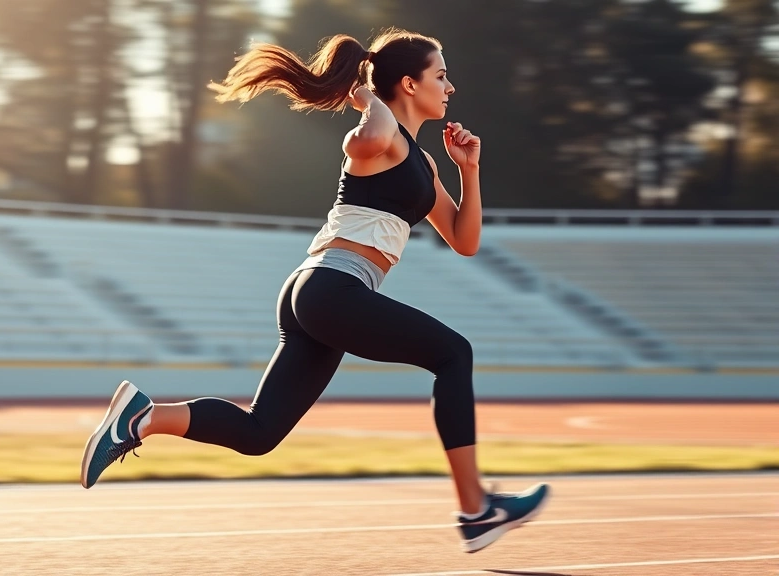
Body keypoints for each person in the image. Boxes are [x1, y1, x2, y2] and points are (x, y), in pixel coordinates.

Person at [79, 27, 549, 553]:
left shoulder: (422, 161)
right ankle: (476, 509)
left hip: (322, 295)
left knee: (260, 434)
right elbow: (364, 138)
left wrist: (471, 170)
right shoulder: (378, 138)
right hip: (331, 289)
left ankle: (140, 418)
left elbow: (464, 239)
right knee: (453, 354)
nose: (451, 86)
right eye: (441, 75)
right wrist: (367, 93)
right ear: (409, 85)